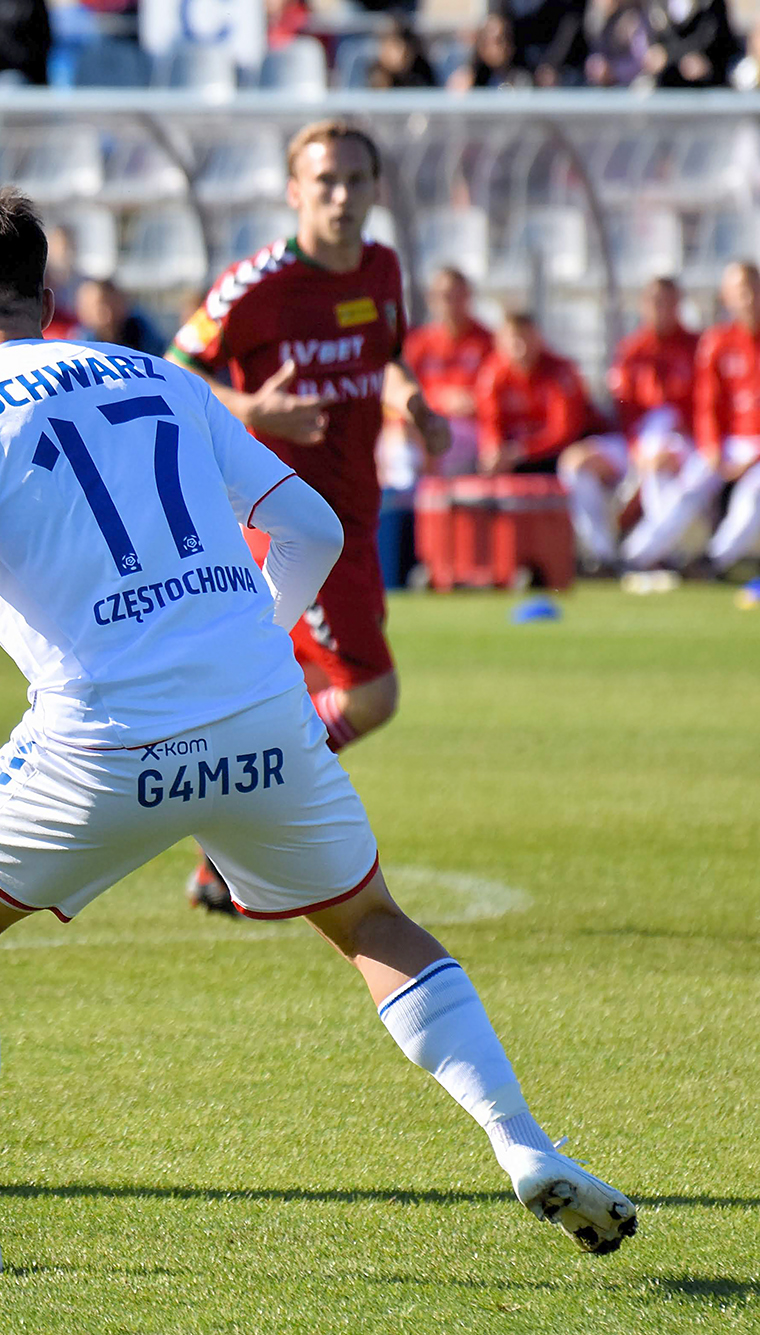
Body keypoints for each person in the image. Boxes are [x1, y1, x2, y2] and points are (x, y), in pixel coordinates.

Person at [0, 188, 637, 1273]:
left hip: (104, 738)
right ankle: (520, 1140)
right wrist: (252, 646)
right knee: (370, 919)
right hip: (263, 716)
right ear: (46, 298)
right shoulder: (158, 376)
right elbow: (309, 525)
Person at [167, 121, 449, 913]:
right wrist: (251, 409)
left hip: (355, 518)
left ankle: (221, 856)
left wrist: (414, 405)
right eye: (325, 180)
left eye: (356, 179)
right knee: (371, 694)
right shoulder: (254, 286)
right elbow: (172, 372)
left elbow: (383, 359)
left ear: (375, 189)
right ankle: (231, 806)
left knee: (293, 694)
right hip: (291, 527)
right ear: (295, 191)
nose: (341, 195)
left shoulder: (382, 268)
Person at [557, 277, 711, 572]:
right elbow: (625, 411)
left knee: (660, 464)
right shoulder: (631, 351)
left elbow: (705, 406)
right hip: (636, 444)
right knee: (574, 463)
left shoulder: (699, 348)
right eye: (654, 302)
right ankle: (602, 555)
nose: (661, 308)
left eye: (667, 302)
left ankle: (641, 554)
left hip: (686, 441)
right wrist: (637, 448)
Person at [394, 265, 494, 478]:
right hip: (422, 421)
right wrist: (438, 400)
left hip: (469, 427)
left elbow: (501, 388)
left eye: (458, 296)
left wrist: (474, 400)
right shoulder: (419, 343)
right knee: (398, 445)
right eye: (445, 296)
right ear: (432, 299)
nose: (451, 303)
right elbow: (399, 388)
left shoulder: (488, 342)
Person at [696, 261, 760, 575]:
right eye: (740, 292)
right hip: (730, 443)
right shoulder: (717, 342)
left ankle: (712, 561)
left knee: (754, 491)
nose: (747, 299)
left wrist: (753, 459)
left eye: (752, 290)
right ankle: (632, 559)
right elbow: (706, 404)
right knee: (689, 482)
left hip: (756, 449)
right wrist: (712, 448)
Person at [474, 313, 597, 475]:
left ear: (539, 338)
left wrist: (523, 450)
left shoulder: (560, 371)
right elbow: (489, 420)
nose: (522, 348)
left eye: (527, 338)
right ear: (500, 343)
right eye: (514, 340)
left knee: (575, 466)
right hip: (515, 453)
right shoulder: (492, 374)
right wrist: (494, 449)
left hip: (557, 452)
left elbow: (565, 431)